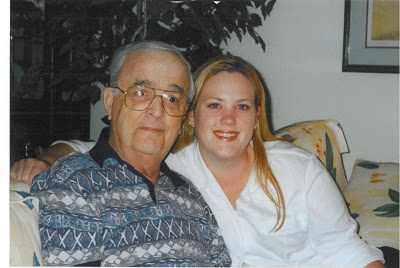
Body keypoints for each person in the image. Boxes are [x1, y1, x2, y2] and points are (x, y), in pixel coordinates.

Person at [11, 55, 385, 267]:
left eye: (242, 107)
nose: (228, 120)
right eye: (214, 105)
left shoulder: (298, 169)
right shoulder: (176, 169)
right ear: (192, 116)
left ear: (257, 117)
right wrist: (47, 156)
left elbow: (349, 251)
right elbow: (108, 145)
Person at [13, 41, 232, 266]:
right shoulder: (75, 182)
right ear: (110, 102)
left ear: (184, 116)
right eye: (141, 92)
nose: (157, 111)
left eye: (172, 99)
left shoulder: (189, 194)